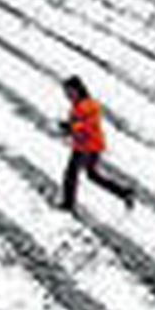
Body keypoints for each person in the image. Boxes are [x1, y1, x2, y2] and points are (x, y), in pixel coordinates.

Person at [57, 76, 135, 211]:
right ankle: (124, 192)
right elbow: (79, 125)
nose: (68, 95)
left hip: (87, 146)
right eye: (66, 92)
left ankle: (68, 204)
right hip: (88, 145)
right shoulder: (80, 105)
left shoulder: (87, 106)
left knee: (71, 174)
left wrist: (70, 128)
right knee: (92, 175)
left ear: (78, 89)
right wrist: (69, 127)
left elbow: (88, 126)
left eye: (69, 92)